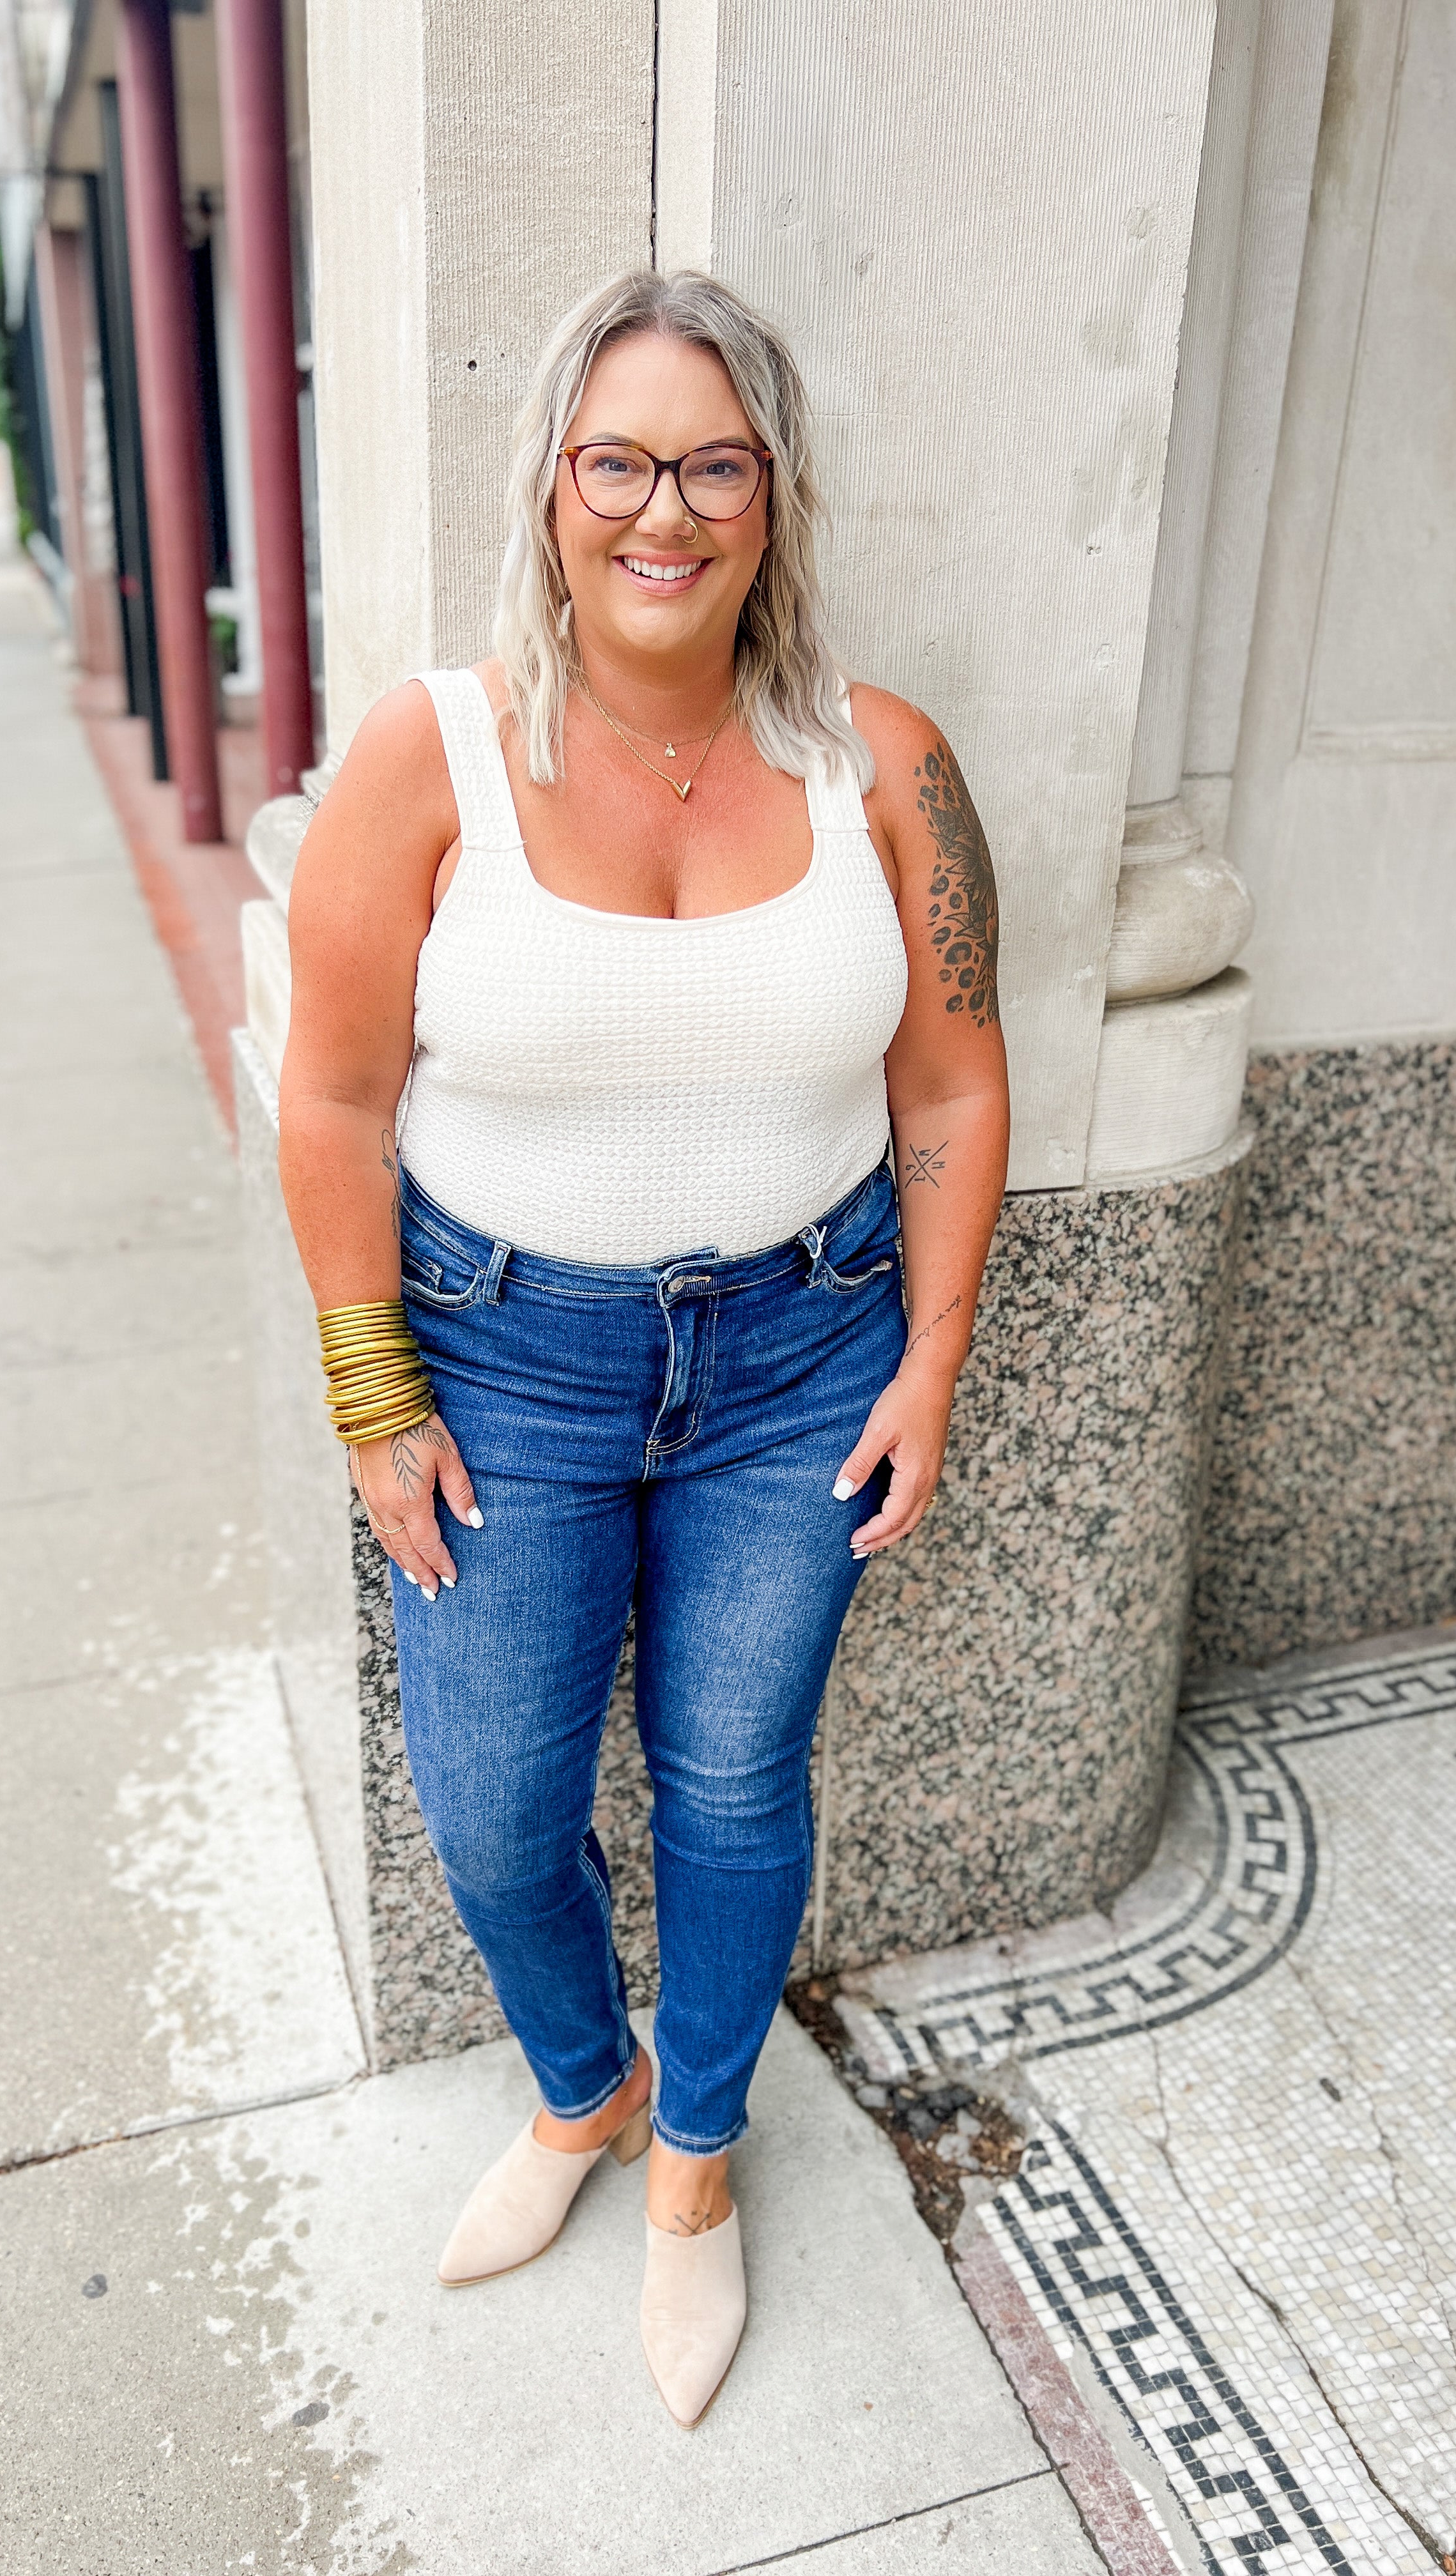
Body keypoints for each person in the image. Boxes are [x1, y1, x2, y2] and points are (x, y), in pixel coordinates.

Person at [277, 268, 1009, 2427]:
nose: (662, 510)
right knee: (498, 1812)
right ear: (555, 485)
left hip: (803, 1359)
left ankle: (697, 2159)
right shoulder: (430, 755)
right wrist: (369, 1393)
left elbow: (956, 1094)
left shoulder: (890, 764)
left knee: (730, 1785)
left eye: (713, 463)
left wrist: (934, 1363)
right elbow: (328, 1100)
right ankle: (580, 2090)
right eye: (620, 460)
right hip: (502, 1366)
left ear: (772, 497)